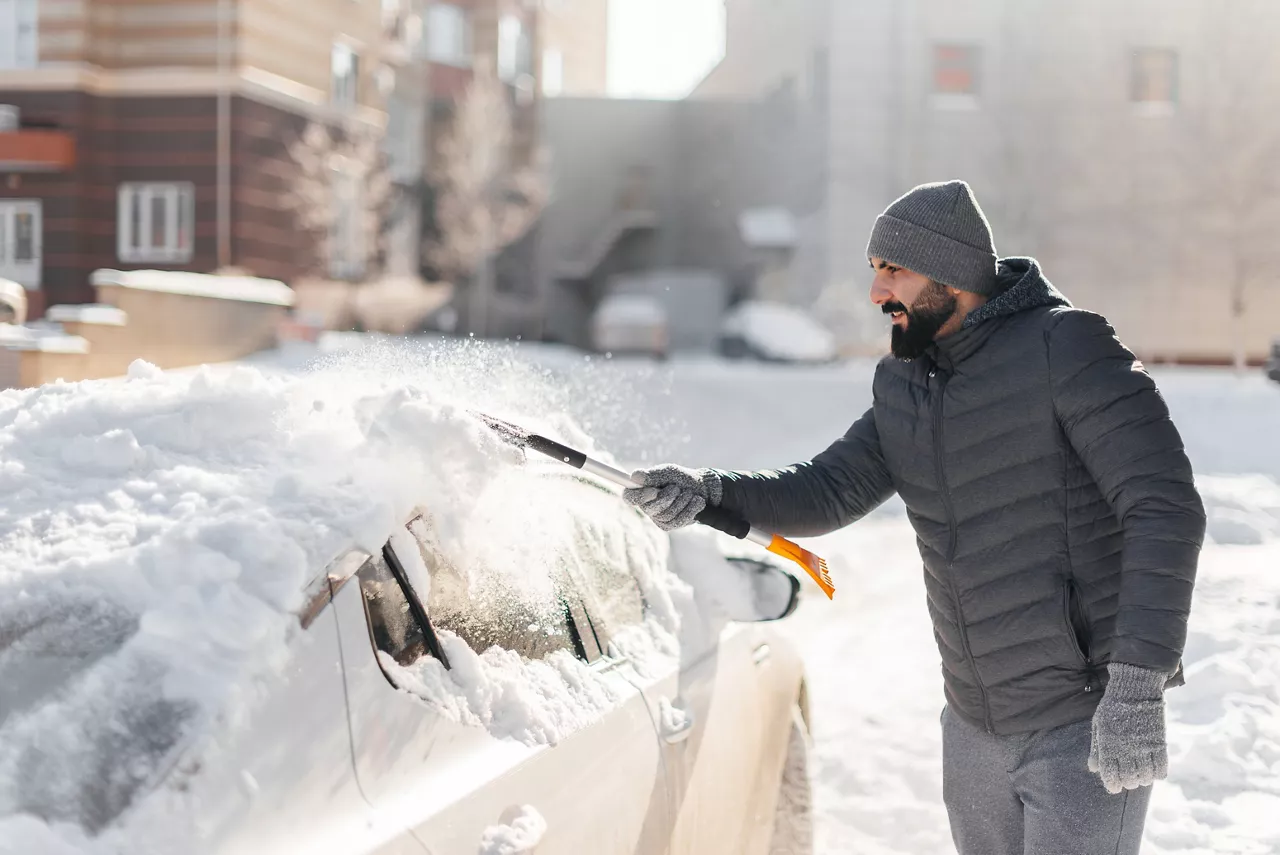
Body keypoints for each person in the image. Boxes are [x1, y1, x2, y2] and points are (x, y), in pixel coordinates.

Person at [624, 180, 1205, 855]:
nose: (877, 293)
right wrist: (711, 492)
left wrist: (1136, 683)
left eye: (893, 270)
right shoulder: (905, 382)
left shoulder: (1065, 347)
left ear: (952, 274)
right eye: (875, 271)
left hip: (1080, 719)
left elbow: (1164, 505)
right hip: (973, 726)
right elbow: (830, 487)